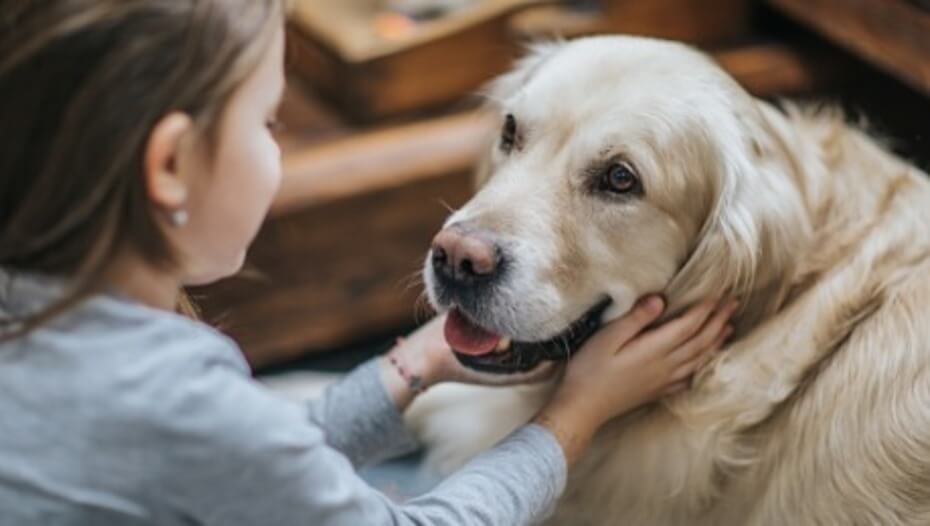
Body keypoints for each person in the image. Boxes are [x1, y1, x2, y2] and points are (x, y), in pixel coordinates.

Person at [0, 1, 736, 524]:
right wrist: (578, 413)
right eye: (267, 122)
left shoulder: (41, 321)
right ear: (168, 166)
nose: (277, 143)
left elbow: (252, 461)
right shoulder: (176, 399)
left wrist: (411, 367)